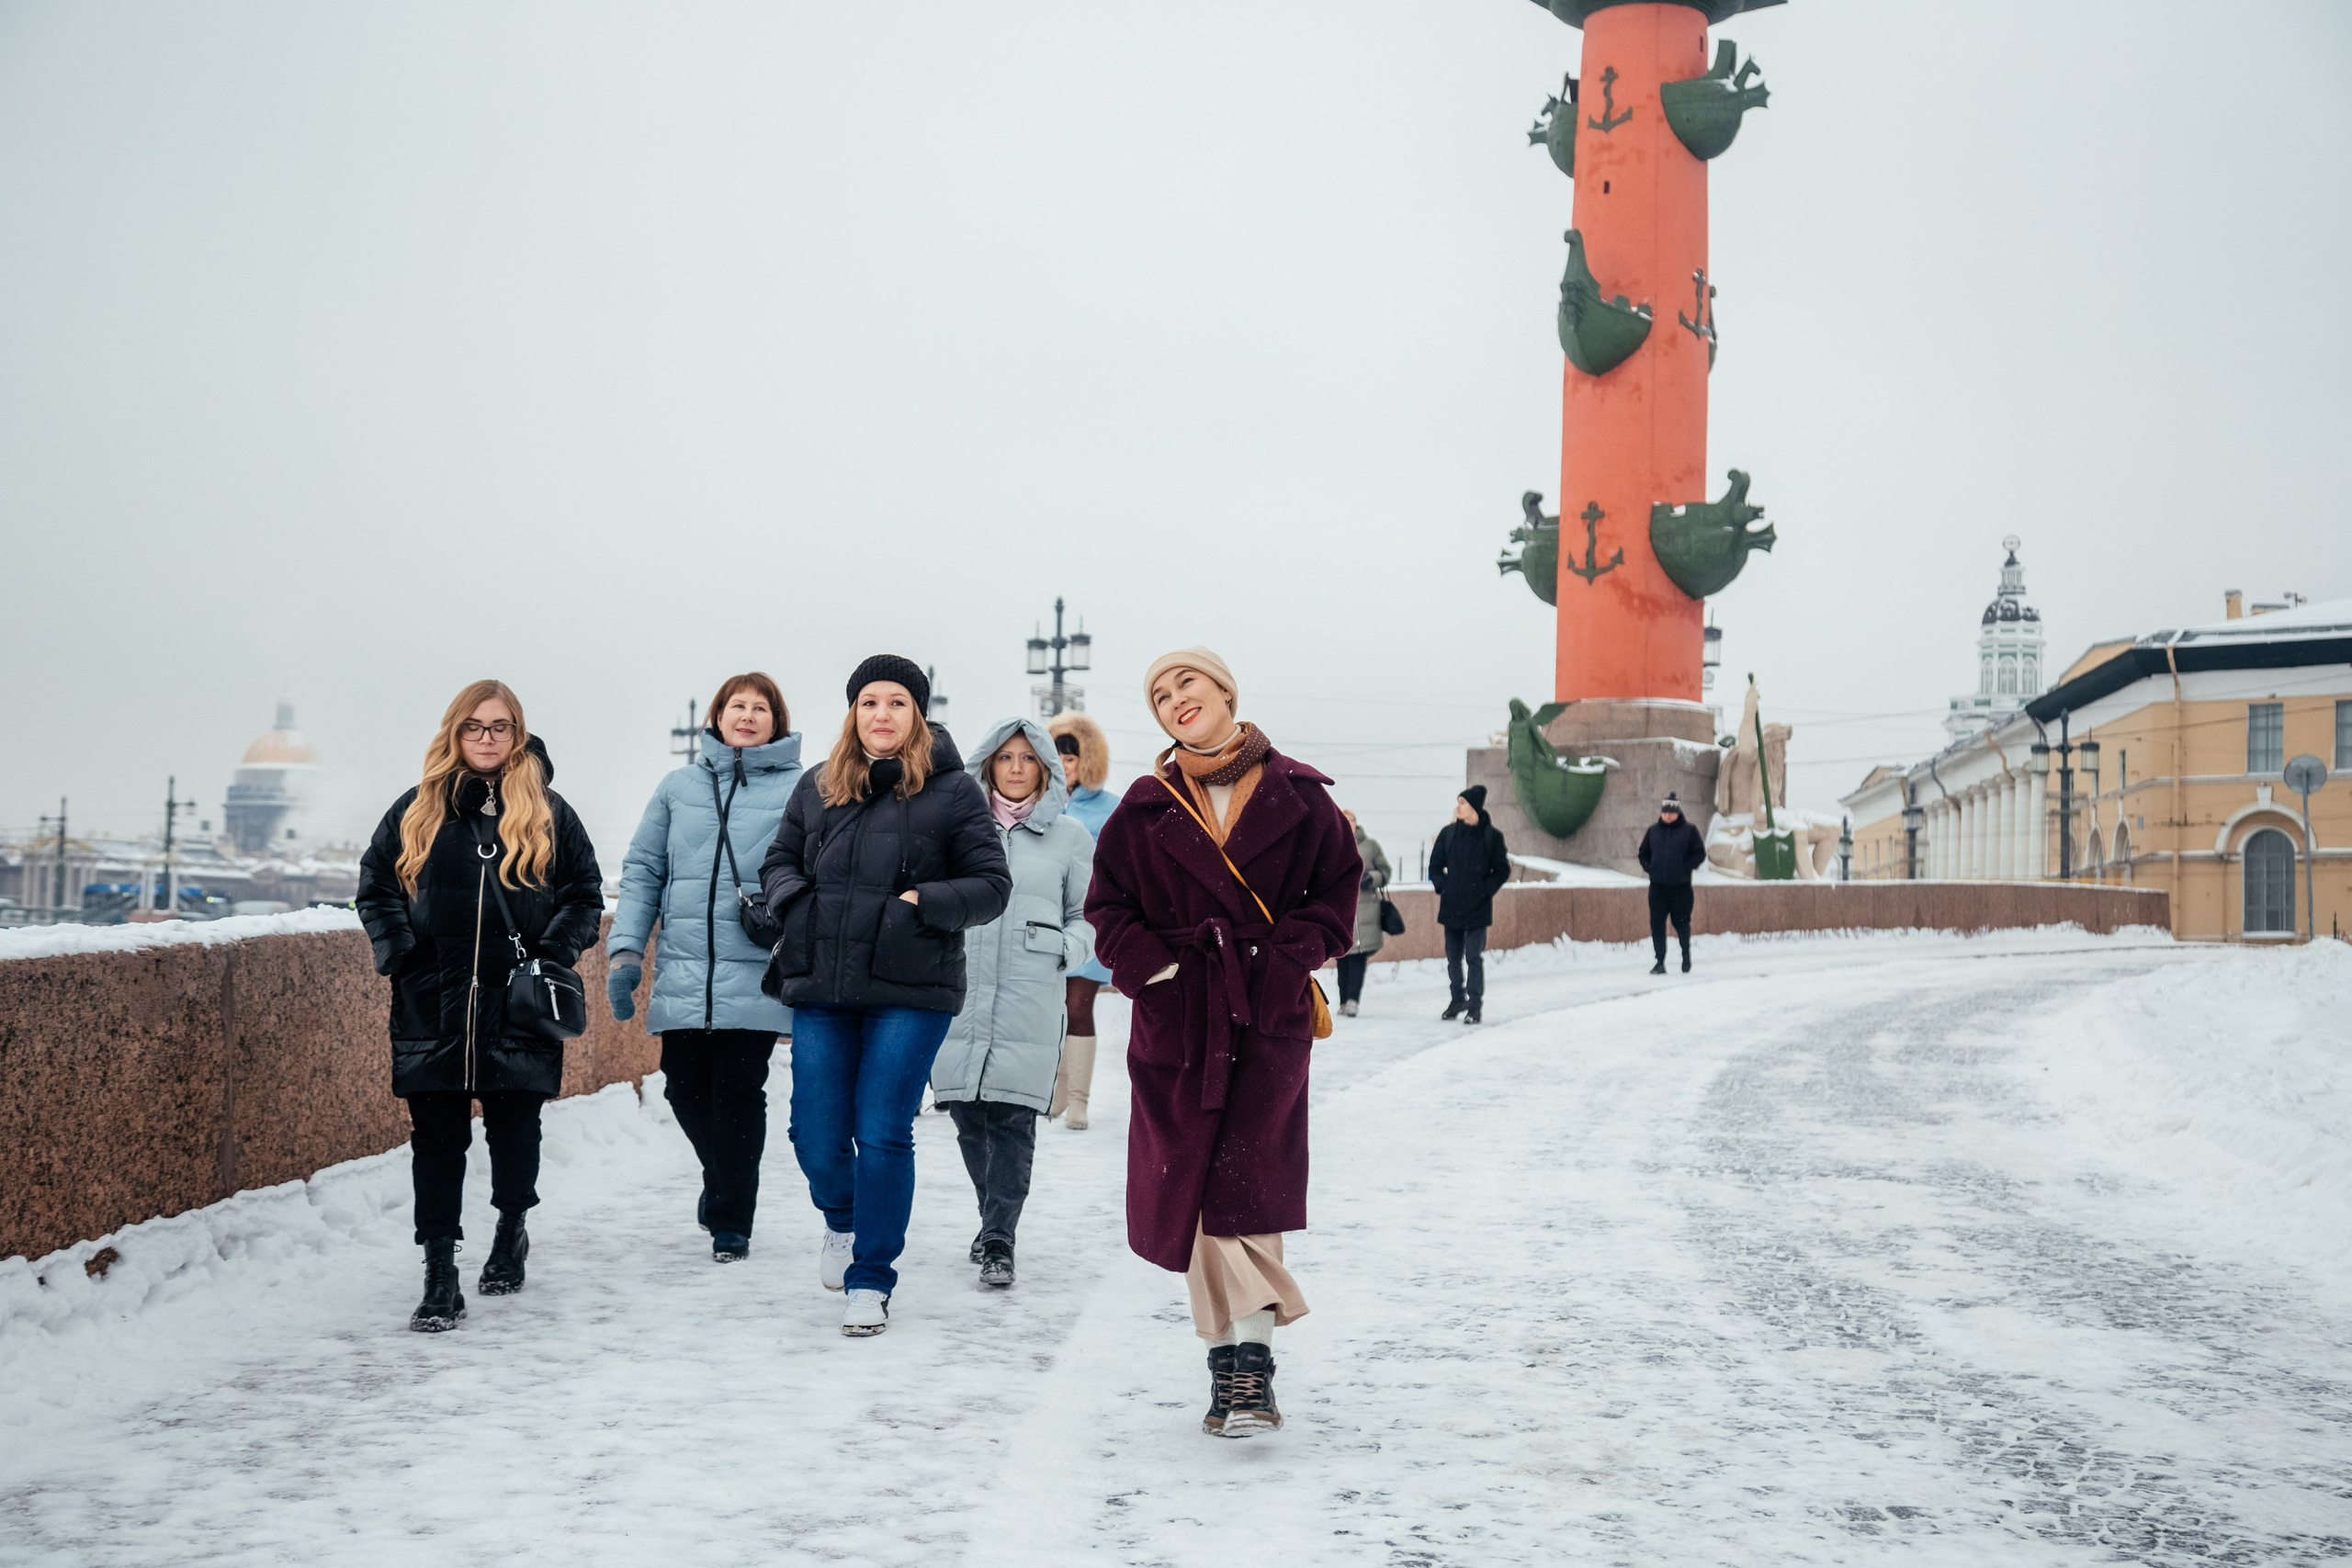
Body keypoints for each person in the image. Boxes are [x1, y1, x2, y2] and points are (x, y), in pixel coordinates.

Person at [1085, 648, 1359, 1439]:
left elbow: (1336, 897)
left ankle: (1247, 1370)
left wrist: (1281, 964)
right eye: (1160, 695)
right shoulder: (1142, 808)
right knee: (1197, 1187)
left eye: (1187, 684)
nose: (1176, 701)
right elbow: (1108, 910)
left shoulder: (1302, 797)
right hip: (1182, 1015)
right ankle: (1237, 1369)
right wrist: (1158, 969)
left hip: (1266, 1014)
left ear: (1225, 690)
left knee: (1251, 1182)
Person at [759, 656, 1011, 1337]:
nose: (882, 714)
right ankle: (843, 1218)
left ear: (917, 715)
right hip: (824, 982)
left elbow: (992, 885)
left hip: (912, 986)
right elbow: (778, 860)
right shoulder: (819, 787)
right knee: (813, 1131)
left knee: (880, 1130)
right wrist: (798, 903)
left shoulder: (955, 792)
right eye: (869, 701)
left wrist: (919, 902)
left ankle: (871, 1277)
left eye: (897, 701)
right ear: (853, 713)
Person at [356, 680, 603, 1333]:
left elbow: (585, 894)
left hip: (517, 1003)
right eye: (474, 727)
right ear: (454, 733)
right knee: (437, 1142)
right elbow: (375, 886)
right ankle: (440, 1272)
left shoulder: (549, 812)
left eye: (498, 727)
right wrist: (402, 953)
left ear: (516, 734)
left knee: (514, 1133)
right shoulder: (416, 809)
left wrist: (552, 953)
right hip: (431, 1003)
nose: (486, 738)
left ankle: (511, 1227)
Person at [607, 672, 803, 1263]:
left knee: (739, 1090)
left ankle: (731, 1220)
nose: (747, 716)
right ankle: (721, 1179)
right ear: (716, 717)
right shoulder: (677, 787)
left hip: (759, 964)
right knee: (685, 1087)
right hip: (686, 966)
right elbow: (643, 871)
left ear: (777, 720)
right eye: (736, 706)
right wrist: (624, 952)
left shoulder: (803, 789)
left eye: (759, 708)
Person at [928, 717, 1096, 1287]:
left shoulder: (1070, 836)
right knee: (969, 1117)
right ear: (988, 765)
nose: (1017, 768)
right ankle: (989, 1219)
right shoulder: (957, 828)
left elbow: (1087, 914)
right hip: (963, 987)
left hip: (1030, 992)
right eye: (1006, 758)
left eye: (1029, 758)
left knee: (1013, 1119)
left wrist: (1064, 949)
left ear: (1045, 769)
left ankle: (1001, 1237)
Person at [1046, 712, 1114, 1128]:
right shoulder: (1039, 805)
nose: (1064, 766)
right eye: (1057, 757)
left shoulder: (1111, 808)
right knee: (1053, 1011)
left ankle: (1080, 1101)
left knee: (1078, 1007)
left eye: (1071, 758)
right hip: (1045, 924)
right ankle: (1055, 1095)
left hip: (1088, 923)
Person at [1429, 784, 1510, 1025]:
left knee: (1473, 956)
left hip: (1478, 907)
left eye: (1462, 803)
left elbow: (1502, 870)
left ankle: (1474, 1006)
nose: (1458, 807)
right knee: (1453, 957)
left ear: (1474, 807)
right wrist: (1444, 886)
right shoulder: (1448, 834)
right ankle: (1457, 1000)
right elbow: (1434, 867)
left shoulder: (1491, 836)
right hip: (1452, 905)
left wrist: (1485, 890)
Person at [1637, 791, 1707, 975]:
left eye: (1671, 812)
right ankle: (1660, 962)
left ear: (1678, 812)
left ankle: (1685, 956)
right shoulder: (1653, 831)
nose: (1668, 815)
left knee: (1682, 924)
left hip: (1681, 888)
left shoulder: (1689, 830)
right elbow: (1643, 852)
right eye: (1665, 812)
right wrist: (1649, 867)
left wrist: (1687, 867)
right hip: (1658, 888)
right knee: (1657, 924)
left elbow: (1699, 853)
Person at [1334, 809, 1391, 1017]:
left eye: (1351, 820)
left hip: (1366, 910)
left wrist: (1371, 878)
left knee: (1358, 957)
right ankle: (1343, 1000)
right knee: (1342, 957)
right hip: (1341, 910)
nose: (1348, 823)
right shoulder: (1332, 842)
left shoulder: (1370, 846)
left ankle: (1353, 1000)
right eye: (1344, 819)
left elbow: (1386, 871)